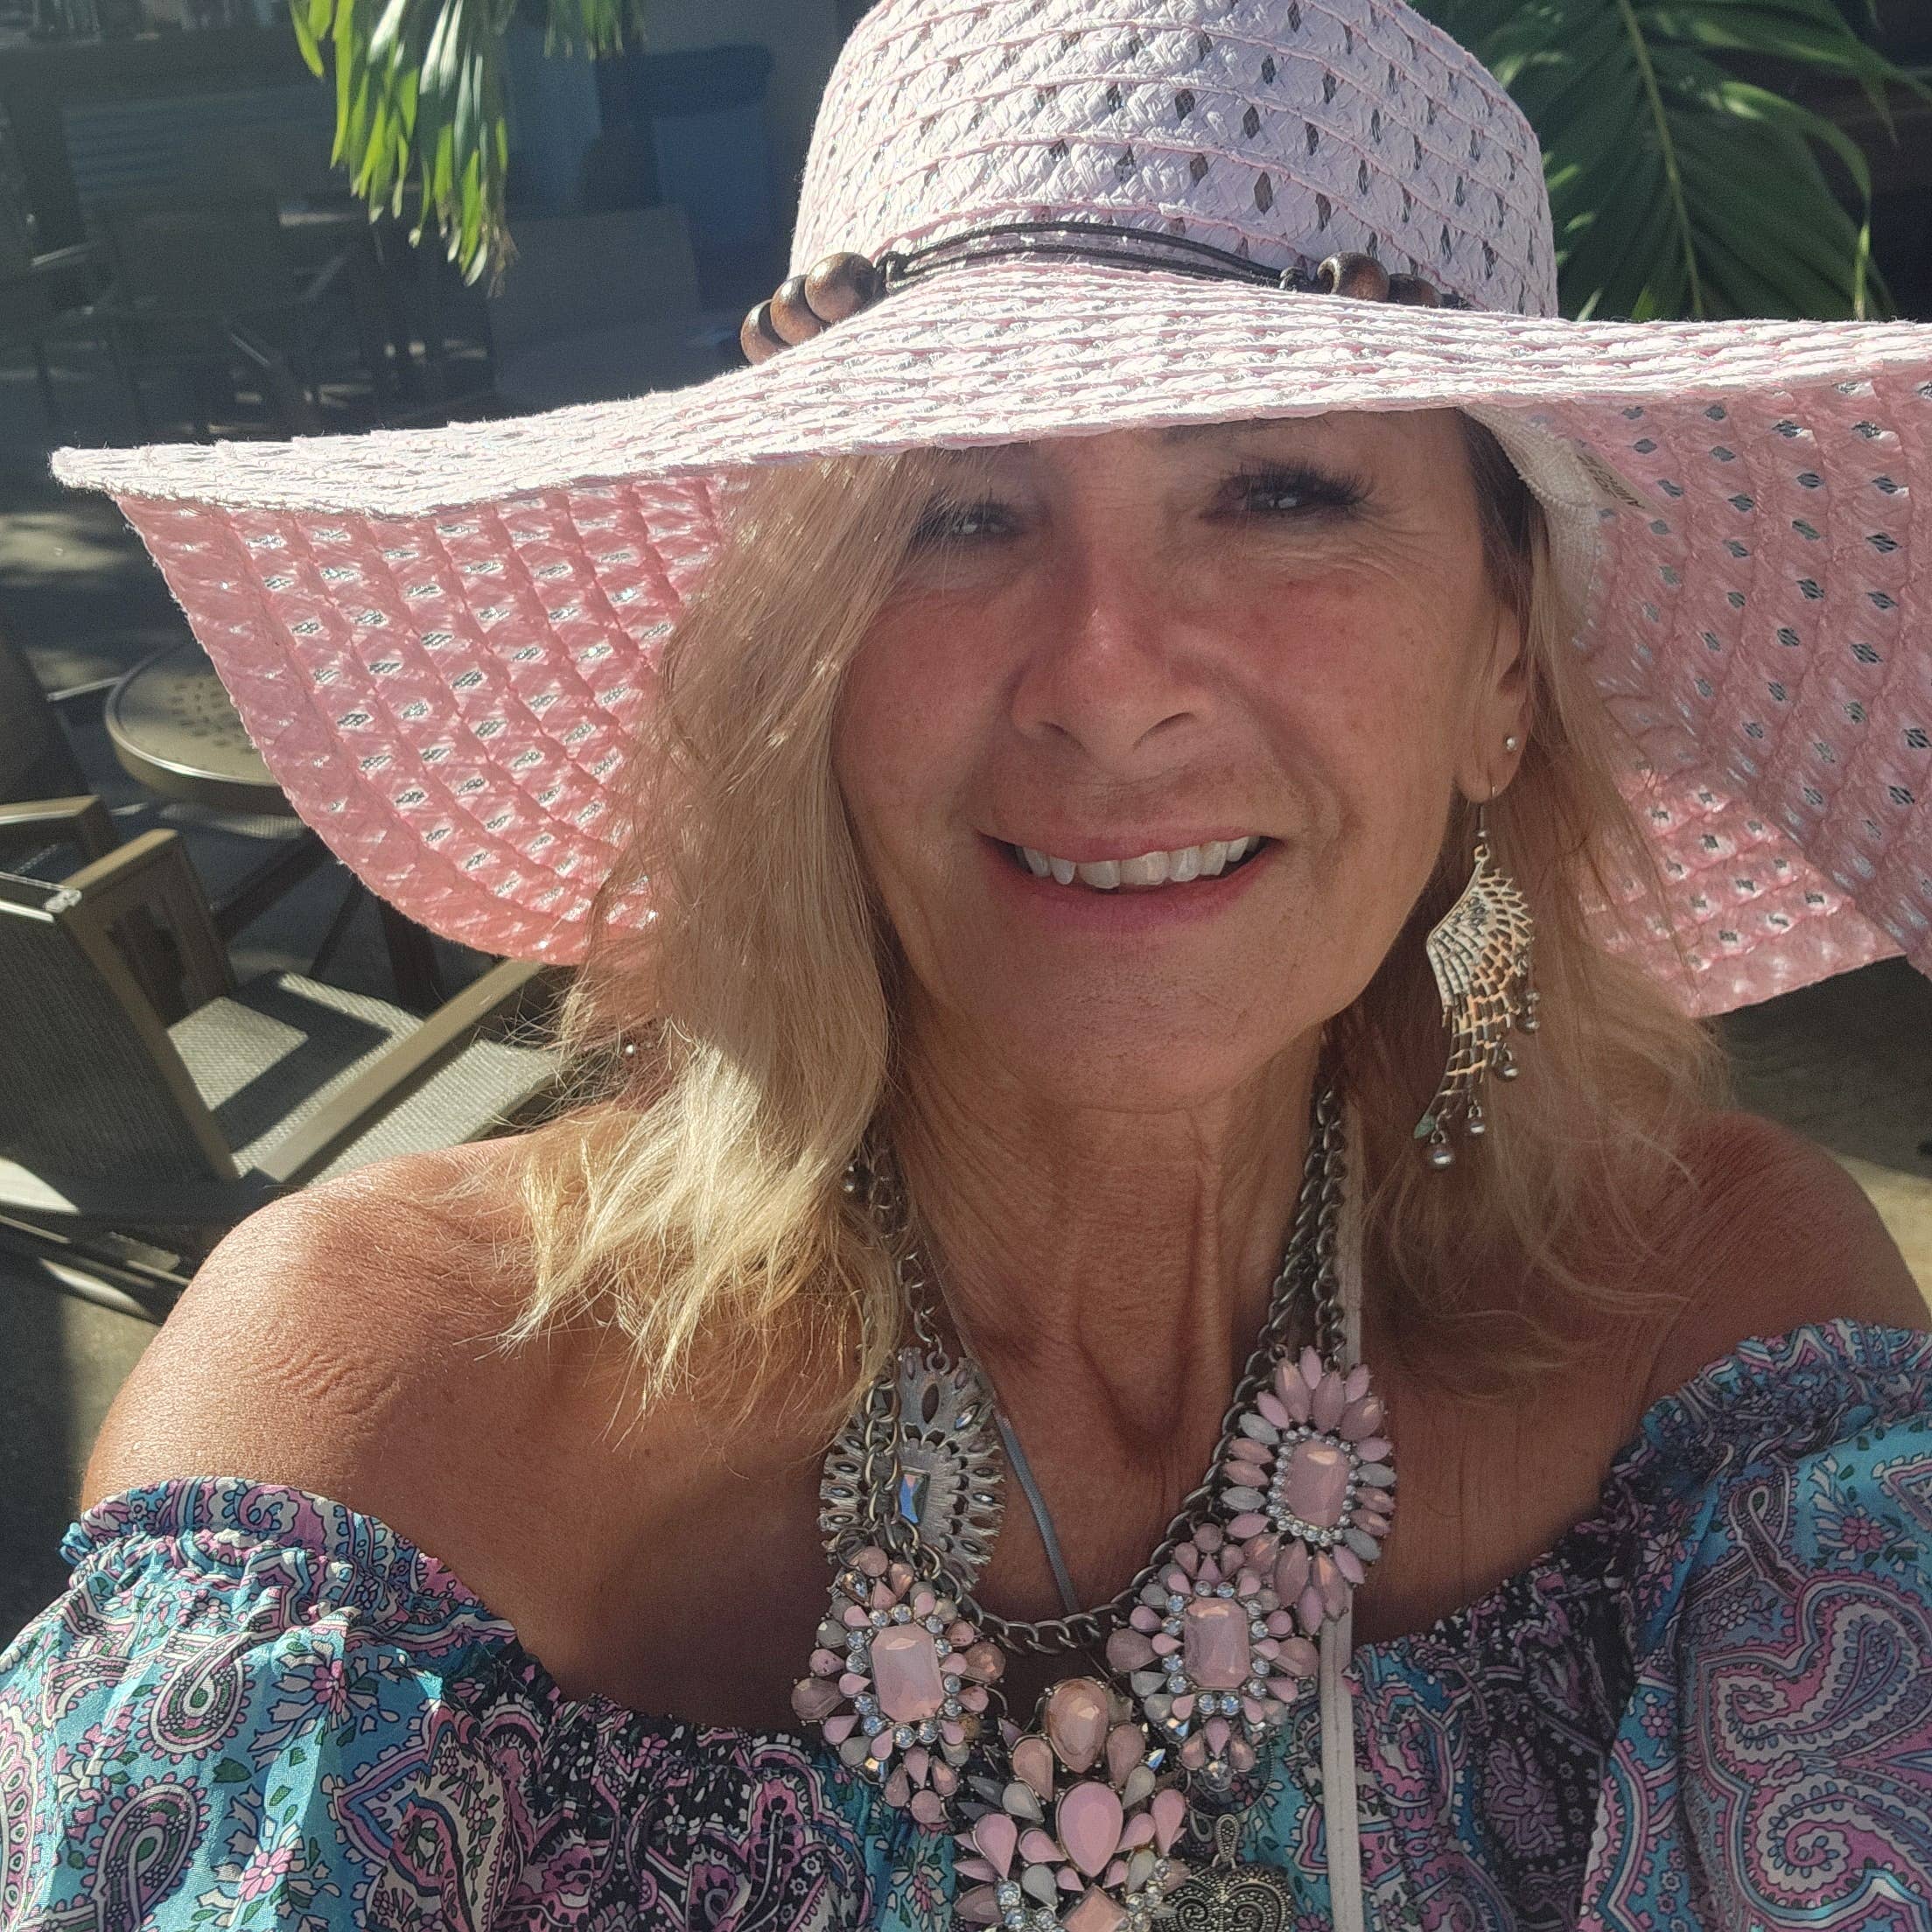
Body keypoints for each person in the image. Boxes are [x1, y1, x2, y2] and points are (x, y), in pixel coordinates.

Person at [5, 0, 1932, 1925]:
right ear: (814, 670)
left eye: (1279, 490)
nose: (1106, 678)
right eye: (959, 511)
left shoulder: (1720, 1338)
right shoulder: (381, 1435)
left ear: (1503, 667)